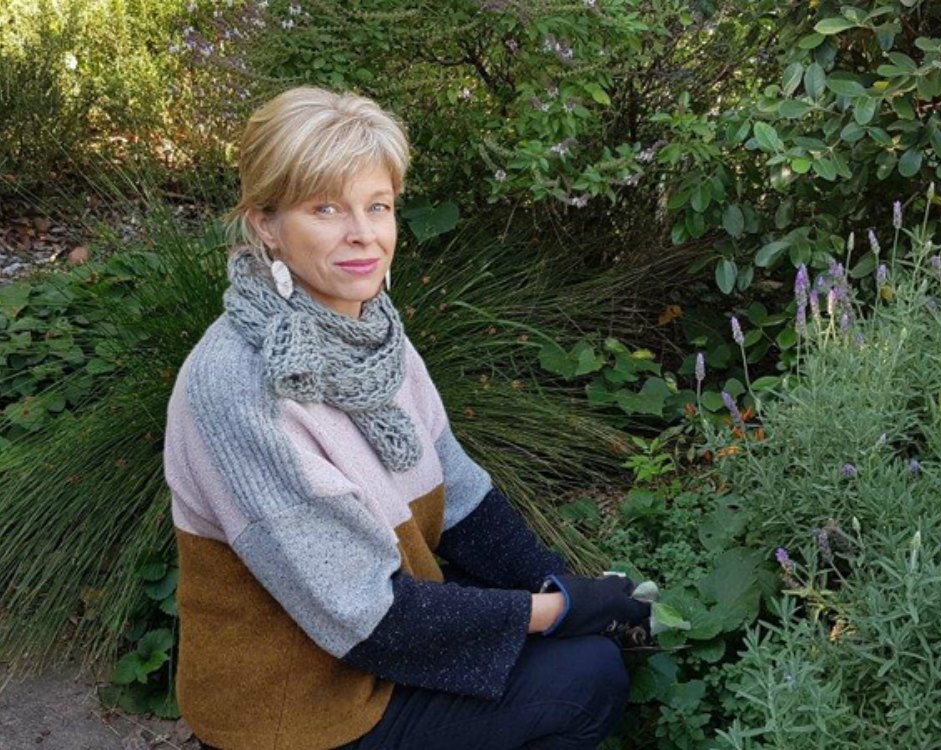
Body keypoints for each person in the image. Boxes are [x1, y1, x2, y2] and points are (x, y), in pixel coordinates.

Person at [162, 85, 651, 750]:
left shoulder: (369, 331)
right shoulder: (240, 387)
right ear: (265, 224)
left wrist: (553, 579)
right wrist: (562, 610)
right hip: (295, 708)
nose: (363, 233)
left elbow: (459, 494)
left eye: (378, 206)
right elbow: (371, 618)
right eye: (326, 208)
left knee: (583, 644)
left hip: (370, 655)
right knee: (581, 679)